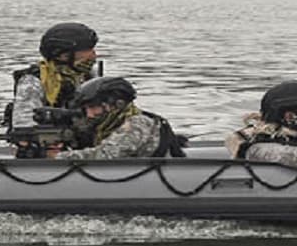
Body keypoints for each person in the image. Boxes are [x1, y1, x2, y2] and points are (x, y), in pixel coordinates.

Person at [51, 76, 186, 160]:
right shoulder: (109, 124)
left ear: (116, 105)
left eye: (93, 107)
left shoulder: (137, 123)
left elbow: (106, 155)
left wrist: (56, 157)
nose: (89, 114)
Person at [10, 21, 100, 130]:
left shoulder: (89, 75)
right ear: (63, 55)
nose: (93, 55)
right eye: (86, 50)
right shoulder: (33, 81)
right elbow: (24, 124)